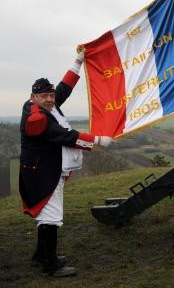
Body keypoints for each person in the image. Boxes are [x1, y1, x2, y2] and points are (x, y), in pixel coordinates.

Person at [19, 46, 113, 277]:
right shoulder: (37, 119)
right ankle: (50, 266)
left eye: (50, 96)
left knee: (47, 216)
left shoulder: (46, 104)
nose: (51, 99)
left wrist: (78, 63)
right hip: (42, 175)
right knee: (51, 217)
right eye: (45, 96)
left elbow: (64, 88)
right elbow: (67, 137)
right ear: (34, 98)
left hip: (46, 171)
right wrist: (99, 140)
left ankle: (41, 256)